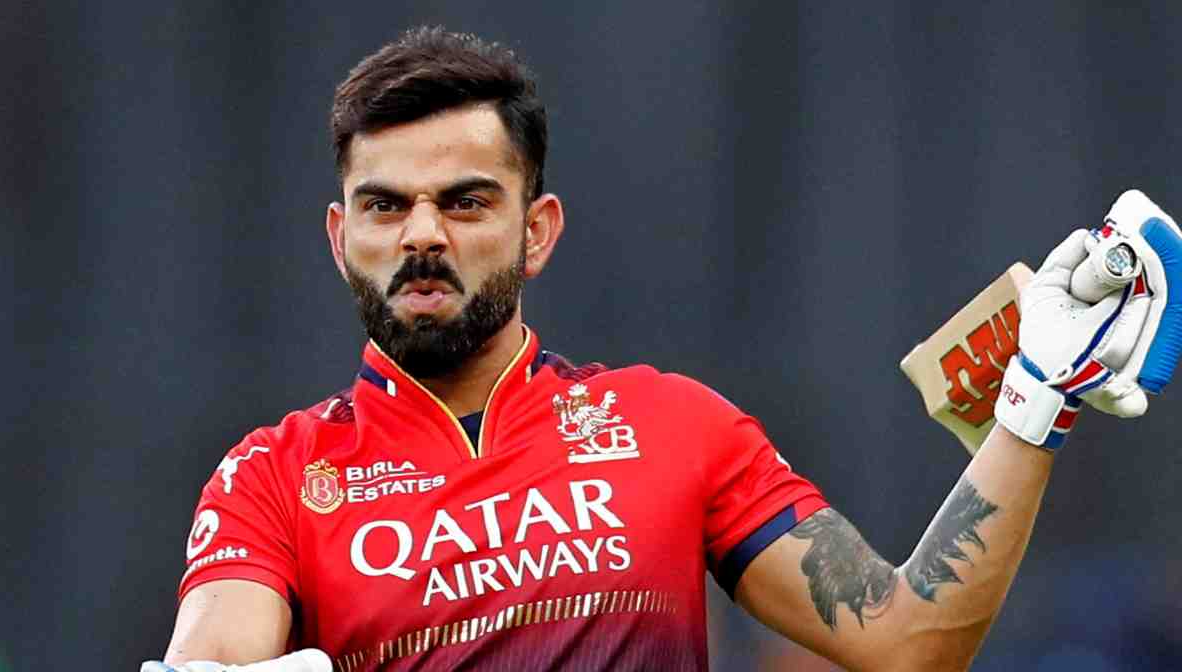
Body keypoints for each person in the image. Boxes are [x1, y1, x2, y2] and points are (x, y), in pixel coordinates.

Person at [148, 26, 1180, 672]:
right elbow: (213, 653)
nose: (421, 234)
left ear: (537, 230)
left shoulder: (673, 424)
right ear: (341, 241)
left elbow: (906, 638)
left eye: (465, 201)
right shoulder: (273, 477)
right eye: (384, 205)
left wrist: (1036, 398)